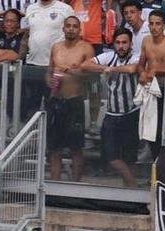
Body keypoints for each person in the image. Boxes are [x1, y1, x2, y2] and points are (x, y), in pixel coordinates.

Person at [90, 27, 141, 186]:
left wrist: (110, 69)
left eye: (124, 42)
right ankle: (133, 186)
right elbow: (85, 65)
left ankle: (130, 194)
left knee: (130, 157)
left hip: (131, 113)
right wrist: (104, 68)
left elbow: (132, 69)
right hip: (111, 114)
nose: (121, 46)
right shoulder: (109, 56)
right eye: (118, 43)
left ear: (131, 44)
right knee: (110, 156)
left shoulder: (136, 57)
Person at [47, 16, 95, 183]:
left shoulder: (86, 48)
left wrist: (73, 72)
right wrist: (50, 81)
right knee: (54, 149)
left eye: (75, 26)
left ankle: (74, 186)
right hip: (55, 100)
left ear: (79, 29)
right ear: (63, 28)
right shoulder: (56, 47)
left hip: (75, 101)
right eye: (68, 26)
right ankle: (54, 185)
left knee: (76, 148)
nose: (71, 29)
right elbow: (49, 72)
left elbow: (92, 75)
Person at [22, 0, 76, 111]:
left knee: (54, 106)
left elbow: (74, 35)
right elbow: (26, 34)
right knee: (32, 105)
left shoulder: (65, 9)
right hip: (33, 64)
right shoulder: (30, 8)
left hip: (55, 66)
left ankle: (54, 128)